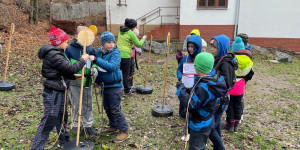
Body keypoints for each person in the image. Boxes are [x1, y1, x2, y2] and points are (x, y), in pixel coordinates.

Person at [31, 26, 90, 149]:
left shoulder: (58, 53)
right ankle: (36, 147)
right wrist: (82, 60)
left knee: (62, 118)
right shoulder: (54, 55)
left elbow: (63, 71)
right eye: (65, 41)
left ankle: (63, 142)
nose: (67, 44)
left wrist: (73, 76)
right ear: (59, 42)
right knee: (49, 121)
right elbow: (70, 68)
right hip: (53, 93)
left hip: (60, 90)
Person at [176, 52, 227, 150]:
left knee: (197, 147)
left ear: (198, 68)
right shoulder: (213, 79)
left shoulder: (204, 87)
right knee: (212, 135)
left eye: (195, 64)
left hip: (199, 124)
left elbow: (190, 105)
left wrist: (180, 90)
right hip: (208, 118)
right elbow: (200, 97)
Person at [91, 31, 130, 143]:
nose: (112, 44)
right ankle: (113, 126)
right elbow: (100, 70)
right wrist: (97, 81)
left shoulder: (115, 53)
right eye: (108, 42)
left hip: (115, 86)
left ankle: (124, 130)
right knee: (107, 107)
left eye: (113, 42)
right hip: (105, 86)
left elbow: (111, 67)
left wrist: (97, 60)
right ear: (103, 43)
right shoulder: (99, 53)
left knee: (115, 108)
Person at [64, 26, 97, 135]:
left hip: (87, 81)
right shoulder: (69, 49)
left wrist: (94, 70)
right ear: (76, 36)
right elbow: (65, 66)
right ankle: (76, 124)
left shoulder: (90, 49)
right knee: (76, 103)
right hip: (74, 82)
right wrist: (69, 78)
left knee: (87, 103)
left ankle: (88, 124)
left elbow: (95, 63)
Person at [209, 34, 238, 150]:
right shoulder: (218, 60)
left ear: (221, 48)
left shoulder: (225, 64)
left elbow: (226, 83)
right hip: (218, 99)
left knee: (210, 127)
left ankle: (220, 148)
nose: (211, 49)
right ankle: (218, 146)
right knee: (216, 126)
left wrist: (211, 78)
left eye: (214, 47)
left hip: (221, 100)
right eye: (211, 47)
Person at [226, 37, 254, 132]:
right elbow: (250, 74)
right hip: (241, 84)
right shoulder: (248, 60)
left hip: (231, 84)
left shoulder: (232, 59)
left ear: (234, 49)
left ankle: (230, 124)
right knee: (238, 104)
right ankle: (236, 125)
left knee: (230, 105)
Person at [117, 18, 147, 94]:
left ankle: (117, 87)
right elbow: (138, 44)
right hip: (126, 55)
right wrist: (143, 39)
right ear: (133, 27)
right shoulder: (130, 33)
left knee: (117, 71)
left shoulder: (121, 30)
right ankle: (127, 89)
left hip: (117, 54)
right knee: (126, 73)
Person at [176, 35, 202, 119]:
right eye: (188, 46)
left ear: (198, 46)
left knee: (194, 103)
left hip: (197, 86)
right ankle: (183, 114)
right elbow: (179, 69)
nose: (190, 49)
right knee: (183, 100)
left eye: (192, 46)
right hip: (186, 85)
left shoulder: (201, 59)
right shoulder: (185, 58)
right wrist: (180, 78)